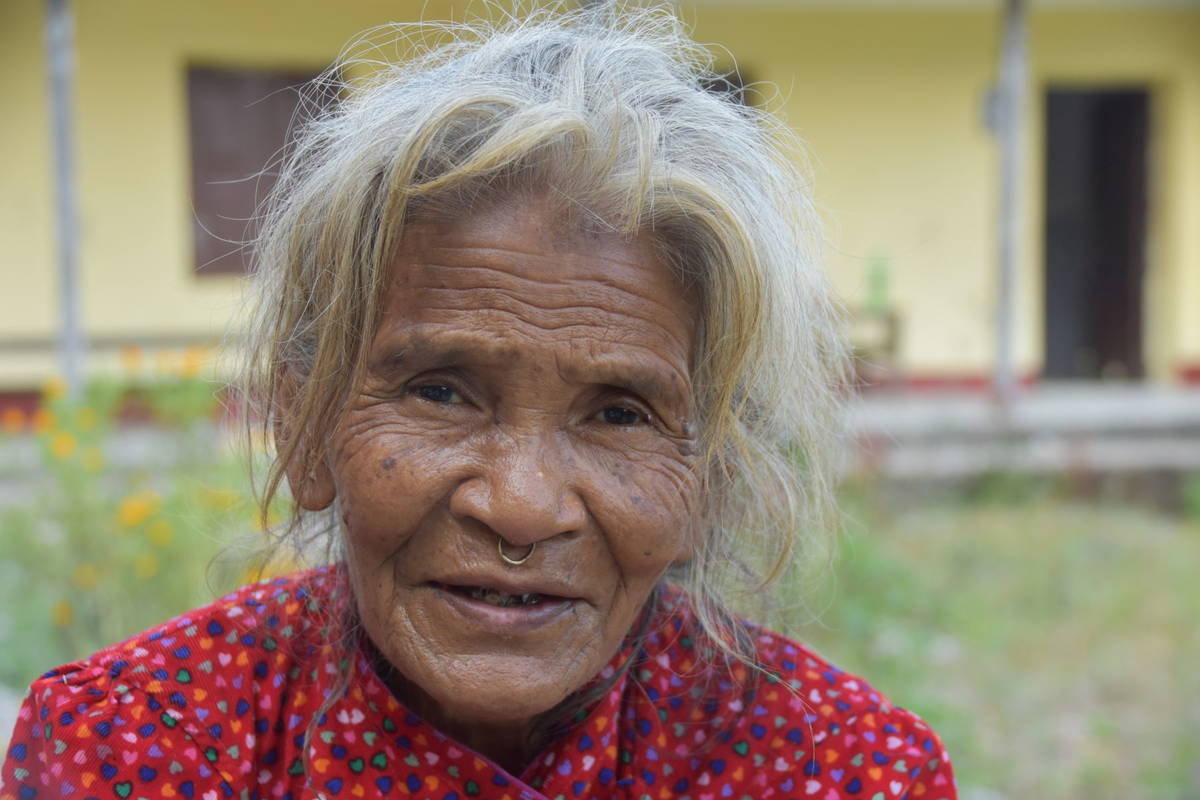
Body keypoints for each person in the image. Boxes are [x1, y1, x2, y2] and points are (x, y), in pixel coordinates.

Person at [2, 6, 955, 799]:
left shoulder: (840, 771)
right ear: (303, 426)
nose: (521, 505)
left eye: (620, 413)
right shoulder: (129, 750)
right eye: (441, 392)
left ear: (711, 472)